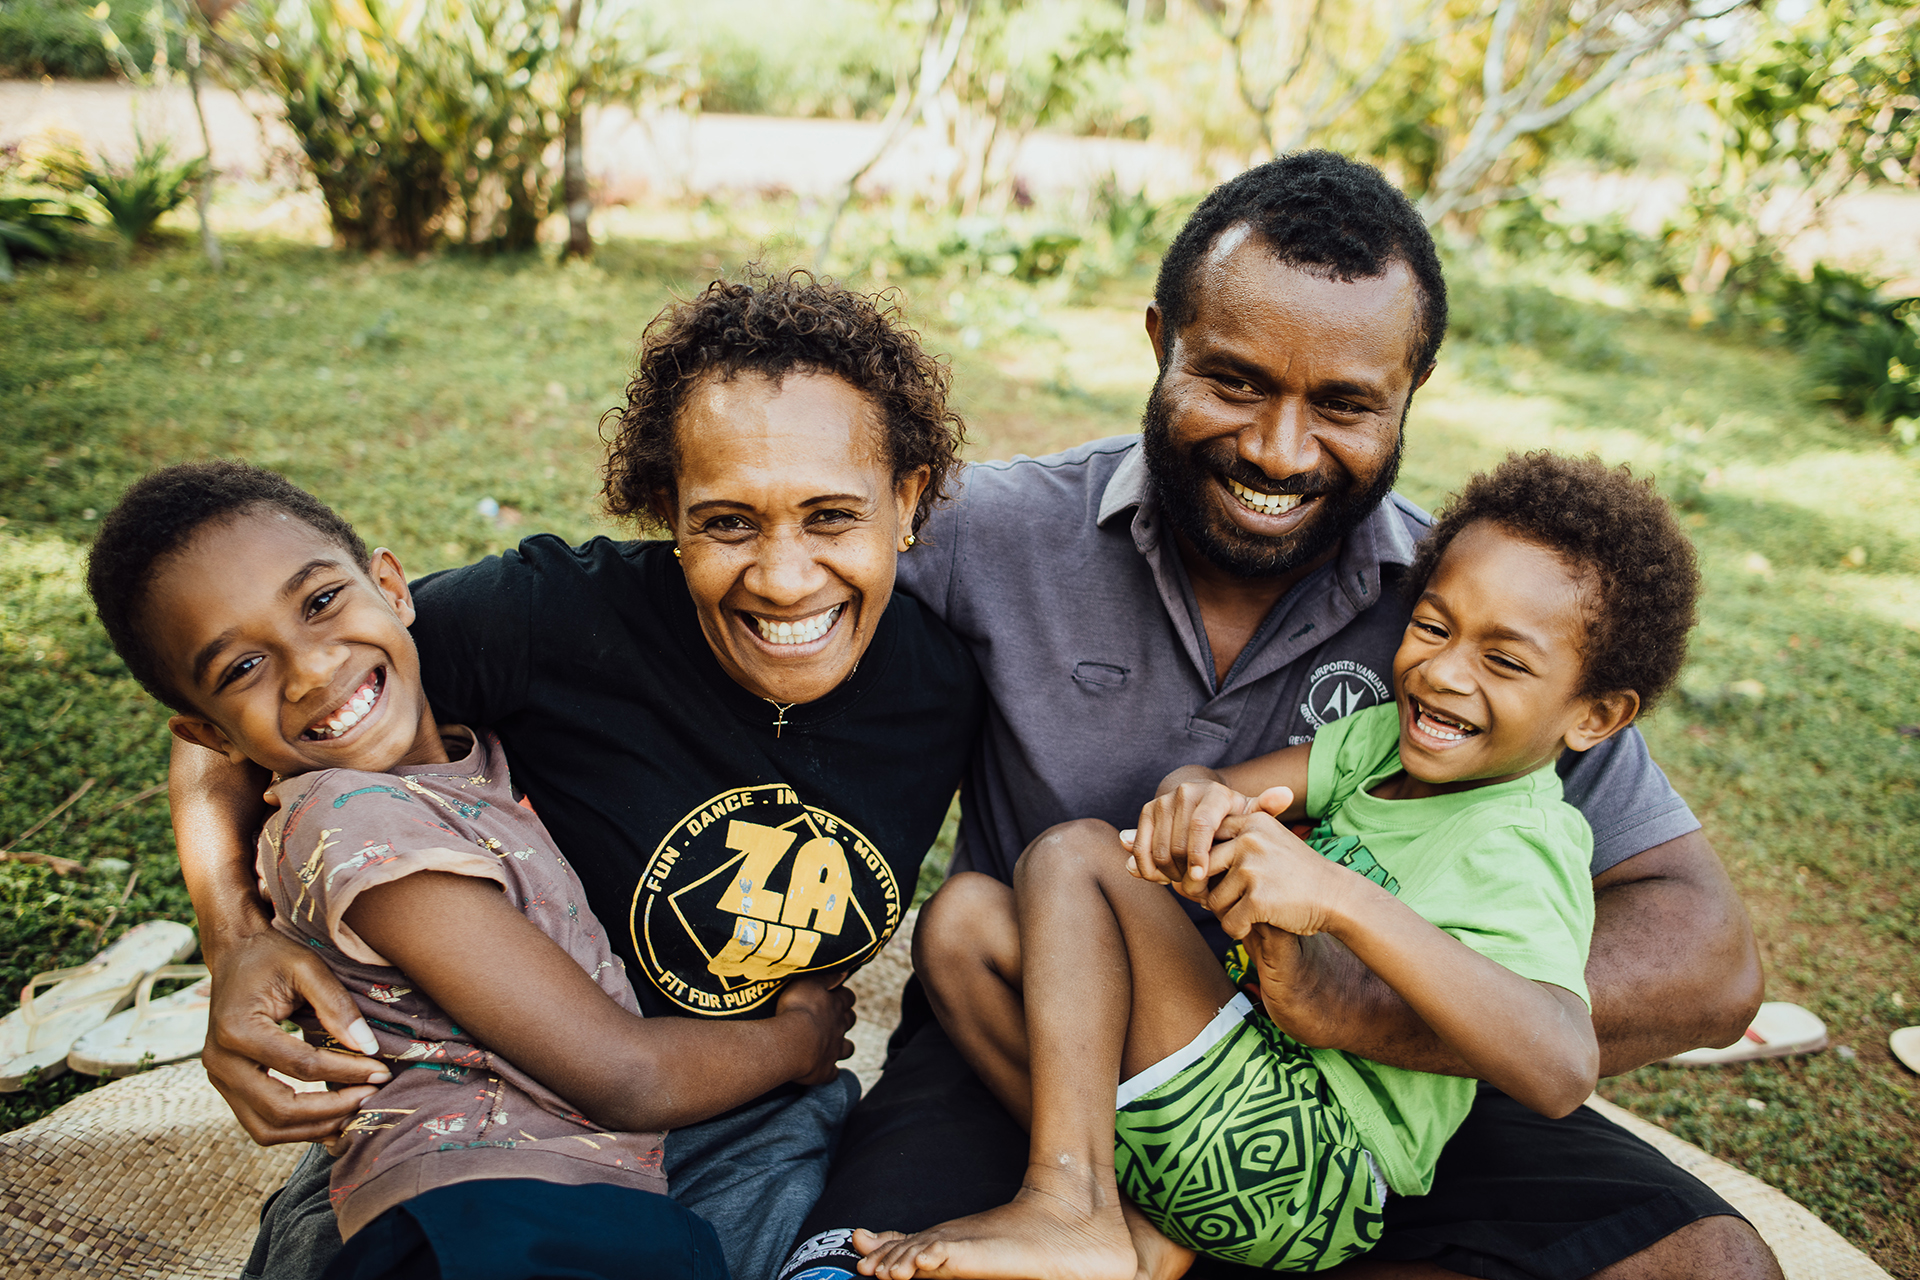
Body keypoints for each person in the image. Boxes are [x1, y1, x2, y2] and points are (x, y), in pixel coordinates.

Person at [783, 152, 1777, 1280]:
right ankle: (1110, 1216)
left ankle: (1171, 1234)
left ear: (1411, 389)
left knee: (1706, 1264)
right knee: (858, 1263)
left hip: (1358, 1101)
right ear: (1161, 342)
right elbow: (775, 571)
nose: (1278, 450)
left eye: (1344, 403)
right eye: (1236, 381)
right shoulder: (993, 532)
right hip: (1035, 1039)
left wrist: (1350, 1001)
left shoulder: (1475, 611)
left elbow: (1709, 961)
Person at [164, 272, 985, 1280]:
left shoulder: (948, 690)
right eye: (728, 522)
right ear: (667, 511)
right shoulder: (551, 619)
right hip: (489, 1122)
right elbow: (238, 719)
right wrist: (234, 942)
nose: (783, 577)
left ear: (906, 499)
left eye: (831, 517)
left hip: (754, 1116)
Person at [853, 451, 1700, 1280]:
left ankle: (1067, 1203)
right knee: (962, 920)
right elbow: (1220, 786)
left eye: (1504, 661)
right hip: (1219, 1106)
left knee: (1076, 853)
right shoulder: (1379, 743)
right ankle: (1130, 1221)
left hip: (1312, 1165)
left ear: (1595, 716)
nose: (1444, 672)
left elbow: (1561, 1069)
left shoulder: (1524, 840)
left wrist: (1338, 898)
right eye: (1433, 626)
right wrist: (1193, 800)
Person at [87, 460, 847, 1279]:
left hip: (562, 1200)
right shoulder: (355, 823)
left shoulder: (467, 756)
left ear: (392, 586)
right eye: (242, 668)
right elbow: (625, 1075)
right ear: (212, 735)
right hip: (485, 1221)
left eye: (320, 602)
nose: (309, 670)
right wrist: (798, 1041)